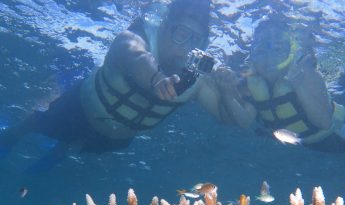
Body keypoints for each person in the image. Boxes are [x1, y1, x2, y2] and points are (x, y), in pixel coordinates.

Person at [0, 0, 229, 169]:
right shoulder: (135, 37)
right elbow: (135, 56)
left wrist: (231, 88)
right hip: (78, 108)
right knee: (39, 122)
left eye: (196, 40)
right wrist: (156, 79)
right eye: (181, 33)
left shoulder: (196, 74)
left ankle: (61, 150)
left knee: (73, 142)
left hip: (114, 138)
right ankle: (12, 135)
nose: (186, 45)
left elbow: (226, 113)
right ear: (165, 25)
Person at [213, 17, 345, 153]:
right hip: (311, 145)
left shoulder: (306, 73)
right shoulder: (252, 83)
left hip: (340, 131)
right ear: (252, 56)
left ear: (291, 52)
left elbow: (324, 122)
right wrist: (227, 92)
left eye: (277, 49)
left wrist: (298, 85)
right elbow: (245, 121)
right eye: (261, 51)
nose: (269, 58)